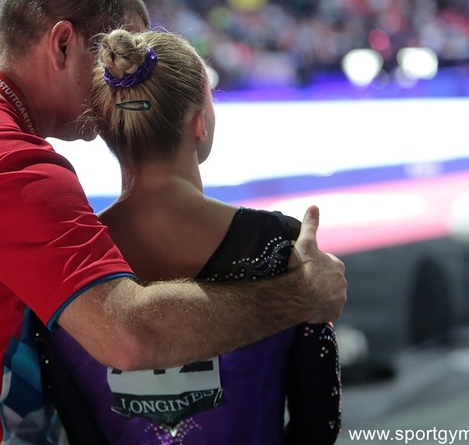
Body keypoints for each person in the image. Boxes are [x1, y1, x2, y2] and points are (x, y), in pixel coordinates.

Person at [0, 0, 346, 444]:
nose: (119, 83)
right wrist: (299, 295)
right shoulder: (10, 167)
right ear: (62, 44)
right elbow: (129, 337)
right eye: (109, 60)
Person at [39, 28, 342, 444]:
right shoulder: (277, 245)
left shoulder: (64, 258)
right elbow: (319, 424)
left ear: (107, 131)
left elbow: (77, 425)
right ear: (200, 122)